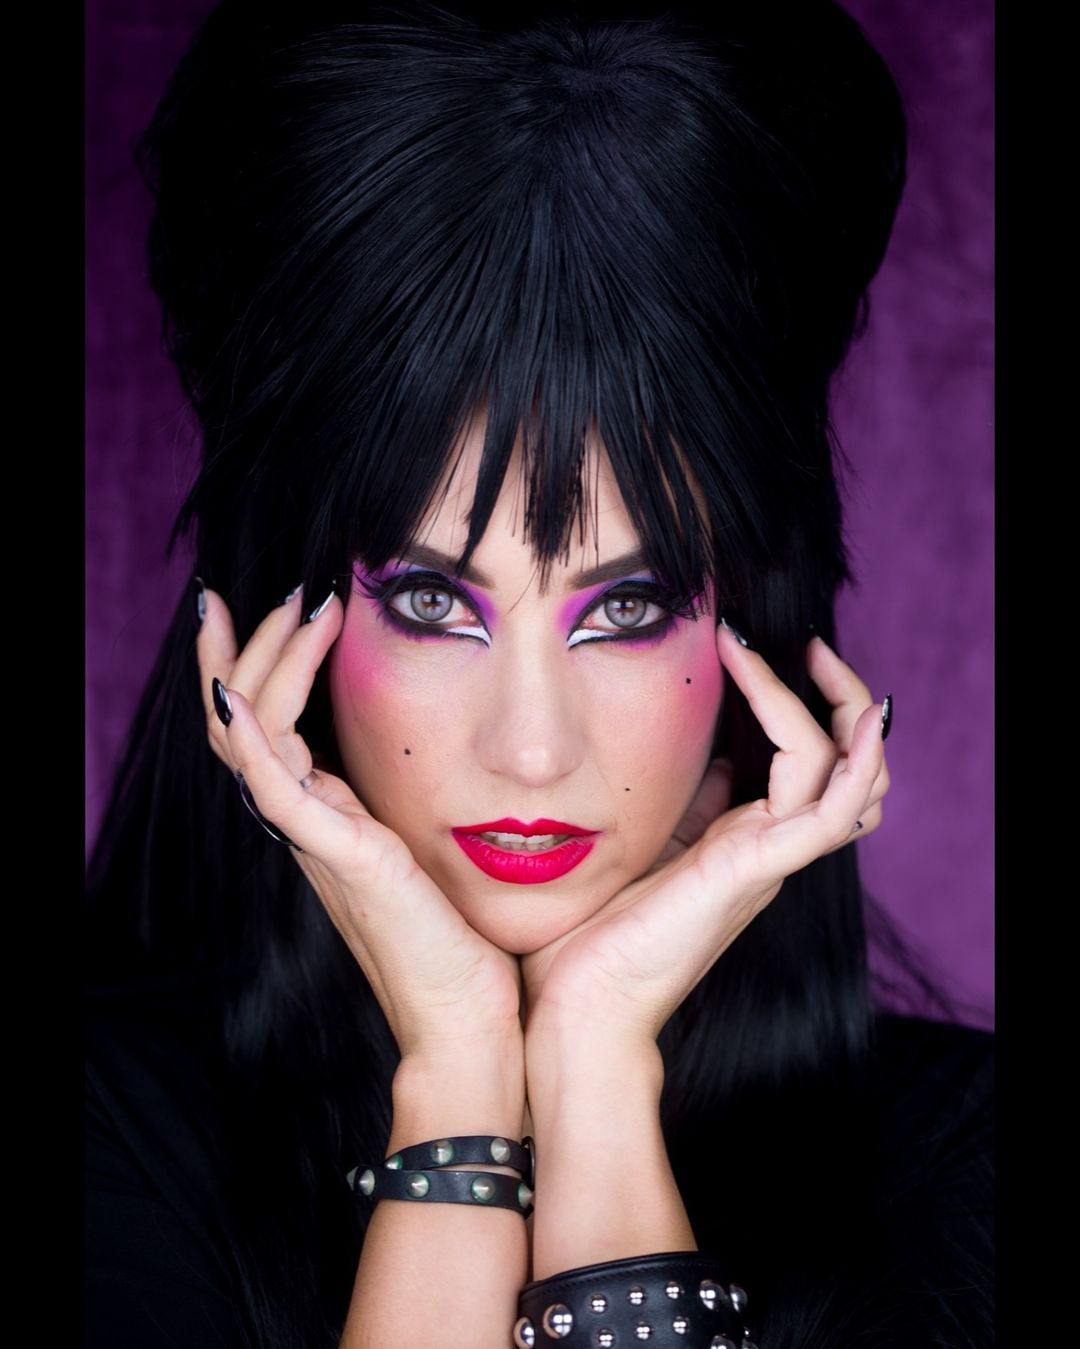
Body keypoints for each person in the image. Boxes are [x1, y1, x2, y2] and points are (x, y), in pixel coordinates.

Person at [84, 2, 993, 1346]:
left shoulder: (966, 1169)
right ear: (282, 621)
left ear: (753, 618)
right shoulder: (110, 1148)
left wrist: (596, 1066)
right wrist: (455, 1073)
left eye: (626, 606)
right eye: (433, 603)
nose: (530, 748)